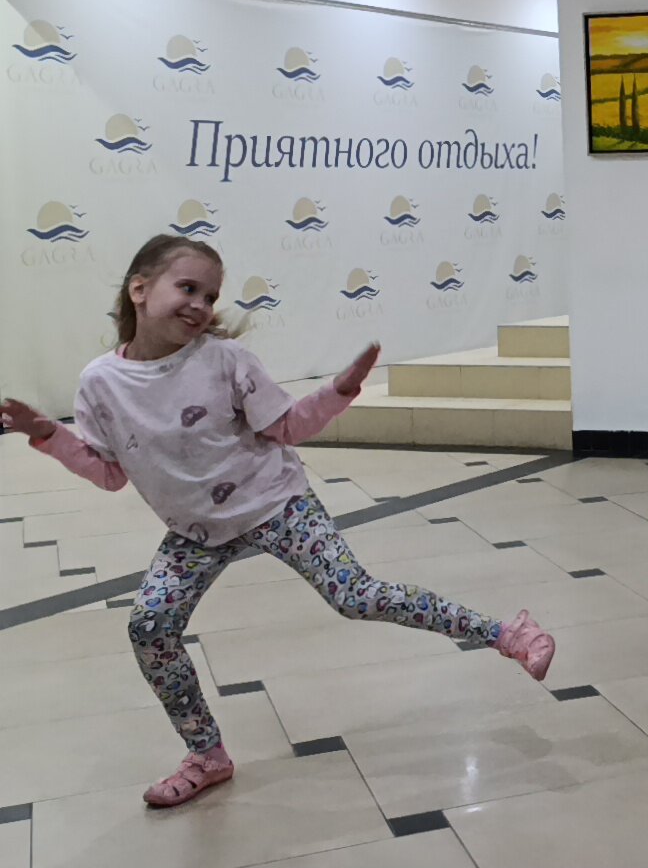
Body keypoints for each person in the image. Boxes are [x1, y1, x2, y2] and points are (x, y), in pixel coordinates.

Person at [1, 235, 555, 808]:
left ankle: (505, 633)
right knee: (149, 628)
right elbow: (109, 473)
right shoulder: (100, 382)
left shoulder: (225, 360)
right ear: (139, 290)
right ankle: (207, 756)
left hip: (276, 503)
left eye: (210, 295)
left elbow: (286, 427)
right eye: (187, 287)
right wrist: (47, 434)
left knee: (356, 596)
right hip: (195, 533)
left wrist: (339, 391)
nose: (201, 304)